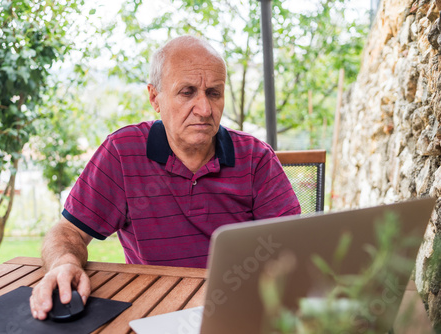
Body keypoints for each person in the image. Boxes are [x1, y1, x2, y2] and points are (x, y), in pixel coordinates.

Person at [30, 35, 300, 320]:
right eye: (187, 92)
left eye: (214, 93)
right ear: (154, 98)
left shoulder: (256, 158)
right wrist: (63, 263)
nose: (205, 109)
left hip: (241, 309)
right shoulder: (123, 152)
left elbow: (292, 248)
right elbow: (68, 232)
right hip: (155, 310)